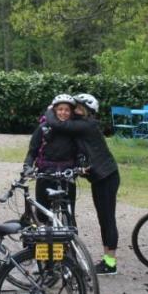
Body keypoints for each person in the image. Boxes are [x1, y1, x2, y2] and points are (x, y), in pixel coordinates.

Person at [44, 92, 120, 275]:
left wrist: (48, 111)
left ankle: (110, 263)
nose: (74, 110)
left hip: (106, 177)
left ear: (87, 110)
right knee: (104, 218)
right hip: (101, 177)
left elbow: (56, 123)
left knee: (107, 218)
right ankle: (109, 259)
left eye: (78, 107)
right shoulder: (83, 125)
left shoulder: (86, 125)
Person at [24, 93, 80, 217]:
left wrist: (81, 166)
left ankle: (71, 235)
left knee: (69, 216)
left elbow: (81, 152)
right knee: (42, 214)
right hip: (46, 174)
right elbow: (32, 151)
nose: (63, 113)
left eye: (67, 110)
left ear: (71, 112)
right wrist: (27, 166)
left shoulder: (75, 130)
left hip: (67, 175)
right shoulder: (43, 128)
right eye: (60, 109)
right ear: (54, 111)